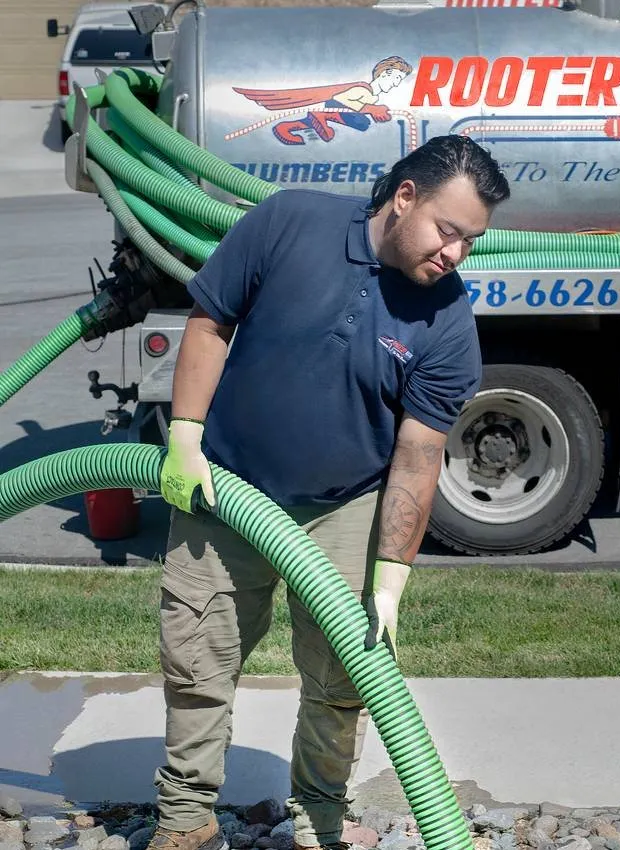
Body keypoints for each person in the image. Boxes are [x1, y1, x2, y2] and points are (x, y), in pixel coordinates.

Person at [149, 134, 510, 850]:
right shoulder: (290, 223)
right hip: (225, 486)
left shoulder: (447, 320)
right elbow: (211, 321)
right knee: (197, 654)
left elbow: (419, 454)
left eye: (470, 240)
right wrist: (185, 434)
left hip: (346, 505)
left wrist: (391, 577)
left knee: (344, 675)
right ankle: (185, 818)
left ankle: (318, 817)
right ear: (404, 198)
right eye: (448, 230)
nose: (455, 254)